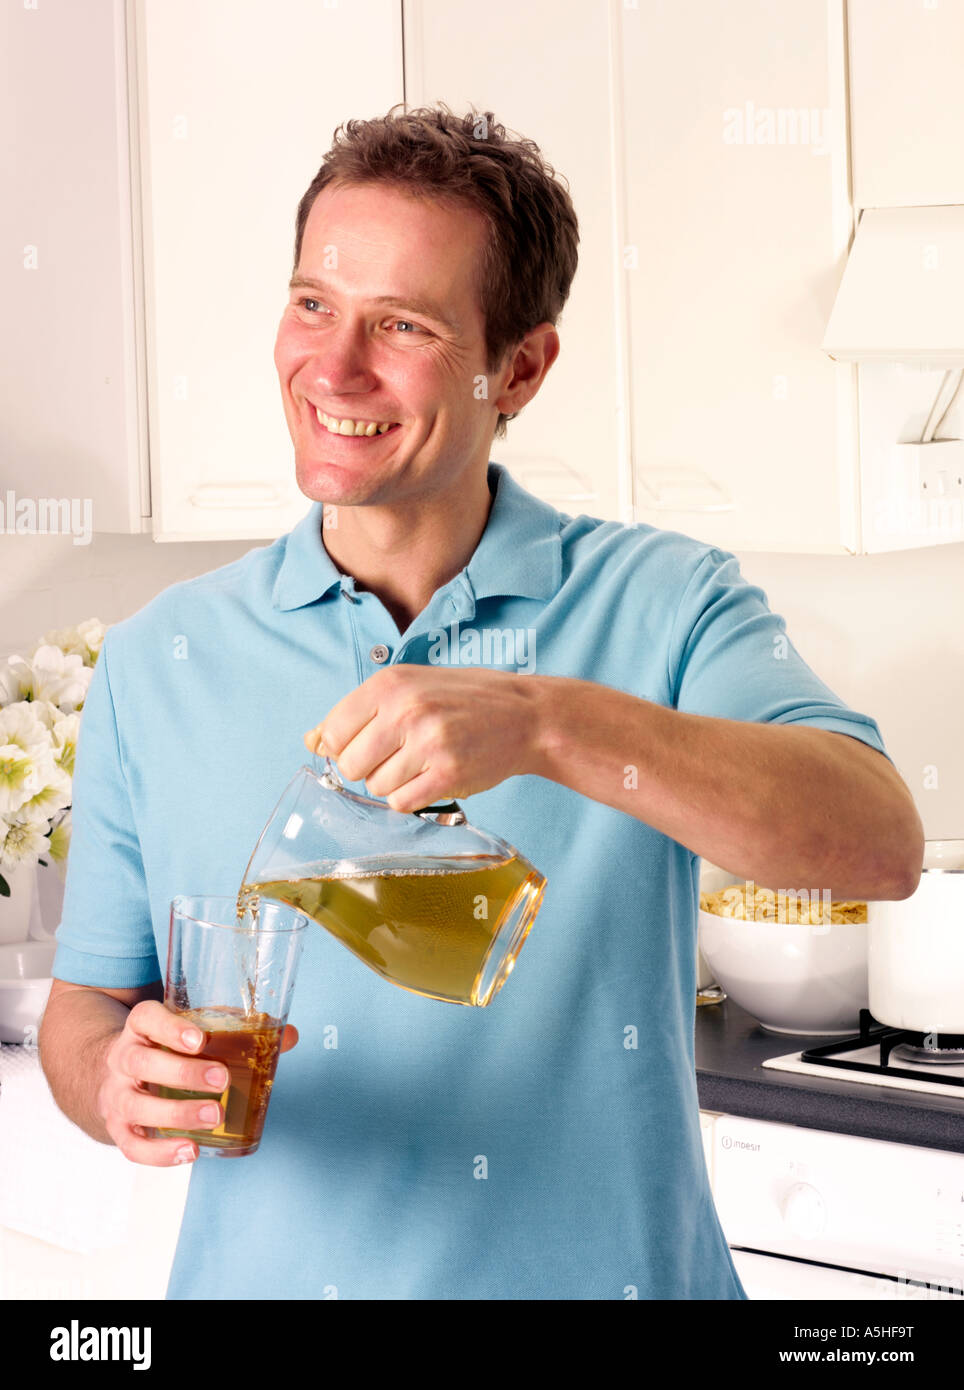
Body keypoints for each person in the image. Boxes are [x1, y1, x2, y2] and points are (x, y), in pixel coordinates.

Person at [39, 105, 923, 1300]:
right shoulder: (163, 657)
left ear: (518, 366)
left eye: (400, 323)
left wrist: (550, 725)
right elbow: (92, 997)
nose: (334, 366)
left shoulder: (663, 602)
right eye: (312, 303)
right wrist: (110, 1079)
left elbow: (874, 838)